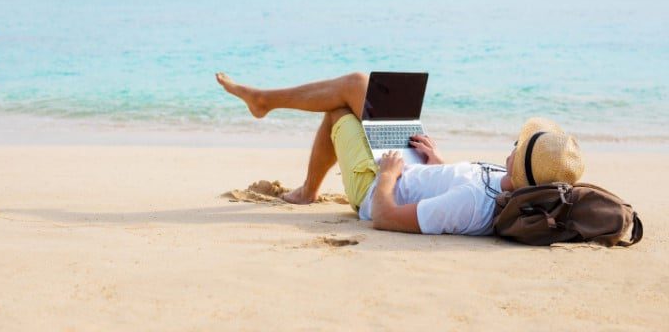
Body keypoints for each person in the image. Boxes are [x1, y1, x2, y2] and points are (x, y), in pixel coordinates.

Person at [216, 71, 585, 235]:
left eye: (518, 147)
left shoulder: (471, 204)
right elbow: (458, 181)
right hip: (411, 168)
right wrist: (438, 162)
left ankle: (265, 104)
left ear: (520, 163)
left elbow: (385, 218)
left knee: (341, 107)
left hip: (374, 188)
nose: (514, 145)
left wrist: (390, 176)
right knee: (358, 89)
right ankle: (269, 111)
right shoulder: (501, 184)